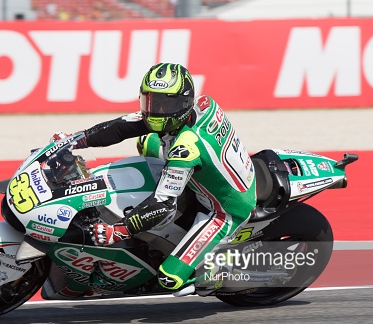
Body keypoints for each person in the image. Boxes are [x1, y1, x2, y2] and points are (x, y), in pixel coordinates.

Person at [54, 63, 257, 295]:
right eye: (151, 101)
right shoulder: (201, 103)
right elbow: (121, 127)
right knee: (146, 140)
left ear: (184, 103)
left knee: (170, 279)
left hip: (225, 209)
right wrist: (76, 140)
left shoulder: (186, 148)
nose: (157, 110)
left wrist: (119, 231)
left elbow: (163, 205)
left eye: (166, 103)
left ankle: (219, 273)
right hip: (212, 173)